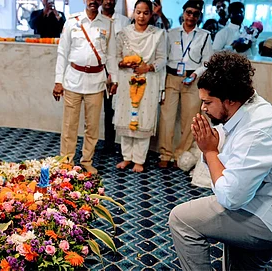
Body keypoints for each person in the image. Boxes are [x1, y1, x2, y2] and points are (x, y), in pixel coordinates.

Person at [169, 51, 272, 271]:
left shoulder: (257, 131)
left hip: (264, 216)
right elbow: (231, 168)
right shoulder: (249, 108)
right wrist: (213, 149)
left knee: (181, 219)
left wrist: (209, 152)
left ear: (230, 99)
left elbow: (231, 198)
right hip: (255, 198)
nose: (203, 108)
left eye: (207, 102)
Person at [53, 0, 118, 174]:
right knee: (69, 124)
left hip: (96, 81)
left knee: (92, 126)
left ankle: (87, 160)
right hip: (73, 79)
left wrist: (115, 78)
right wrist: (58, 81)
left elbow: (111, 54)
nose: (93, 2)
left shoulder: (107, 24)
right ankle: (66, 161)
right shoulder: (72, 21)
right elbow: (62, 52)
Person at [158, 0, 213, 168]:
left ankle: (181, 155)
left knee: (189, 120)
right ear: (183, 13)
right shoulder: (171, 33)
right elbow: (163, 57)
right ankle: (165, 154)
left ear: (199, 16)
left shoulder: (204, 35)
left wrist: (195, 74)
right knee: (167, 118)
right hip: (172, 78)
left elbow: (207, 61)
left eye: (195, 14)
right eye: (189, 12)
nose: (191, 17)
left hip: (193, 80)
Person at [114, 0, 166, 172]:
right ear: (133, 13)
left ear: (151, 14)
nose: (141, 16)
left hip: (148, 80)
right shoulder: (124, 33)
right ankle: (127, 157)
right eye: (138, 12)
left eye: (145, 13)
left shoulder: (157, 34)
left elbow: (161, 59)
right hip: (126, 80)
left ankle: (139, 160)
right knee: (126, 116)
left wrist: (148, 67)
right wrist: (123, 64)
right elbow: (116, 57)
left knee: (143, 117)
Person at [101, 0, 130, 154]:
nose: (108, 1)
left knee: (111, 108)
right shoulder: (95, 19)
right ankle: (92, 144)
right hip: (97, 69)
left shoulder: (124, 21)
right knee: (92, 108)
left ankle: (110, 144)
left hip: (117, 70)